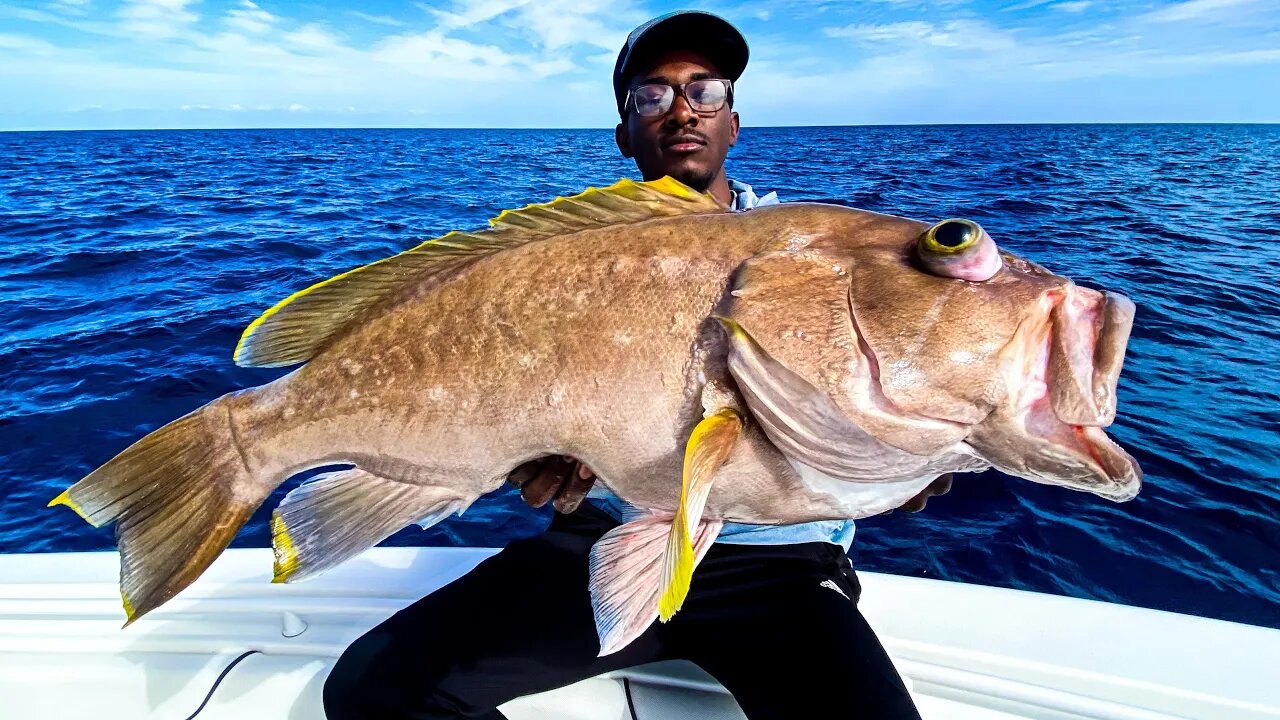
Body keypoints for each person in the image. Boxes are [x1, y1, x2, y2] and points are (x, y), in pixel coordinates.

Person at [323, 11, 947, 720]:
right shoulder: (570, 266)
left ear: (733, 123)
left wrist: (911, 455)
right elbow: (510, 402)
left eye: (704, 90)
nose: (682, 109)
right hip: (597, 540)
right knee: (372, 688)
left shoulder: (819, 256)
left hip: (781, 566)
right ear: (624, 133)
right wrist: (532, 465)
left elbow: (899, 390)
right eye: (652, 95)